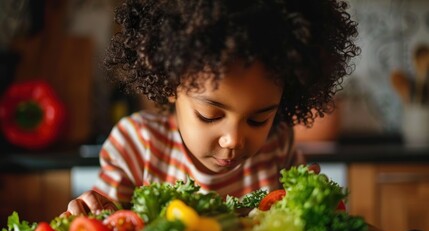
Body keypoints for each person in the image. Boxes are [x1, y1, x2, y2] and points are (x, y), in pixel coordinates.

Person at [64, 0, 359, 215]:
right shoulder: (136, 143)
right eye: (210, 115)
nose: (233, 140)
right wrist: (88, 211)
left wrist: (317, 204)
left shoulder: (278, 145)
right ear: (170, 82)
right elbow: (100, 217)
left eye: (258, 120)